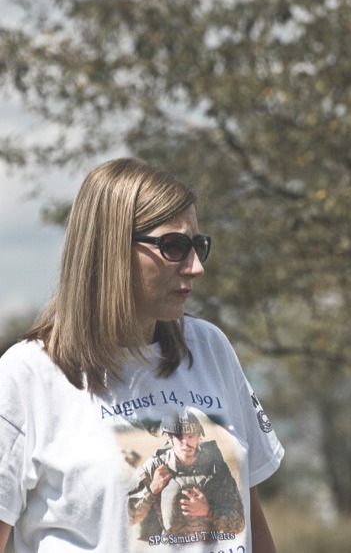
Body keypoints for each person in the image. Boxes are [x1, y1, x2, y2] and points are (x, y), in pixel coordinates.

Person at [0, 157, 284, 553]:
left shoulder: (211, 349)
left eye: (198, 246)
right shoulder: (27, 375)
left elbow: (250, 521)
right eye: (174, 246)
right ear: (111, 248)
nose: (196, 267)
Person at [127, 408, 245, 541]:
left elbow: (239, 524)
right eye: (179, 437)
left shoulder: (216, 467)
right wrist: (151, 490)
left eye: (190, 436)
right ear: (169, 438)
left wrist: (207, 511)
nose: (185, 443)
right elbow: (126, 517)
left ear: (198, 436)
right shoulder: (154, 467)